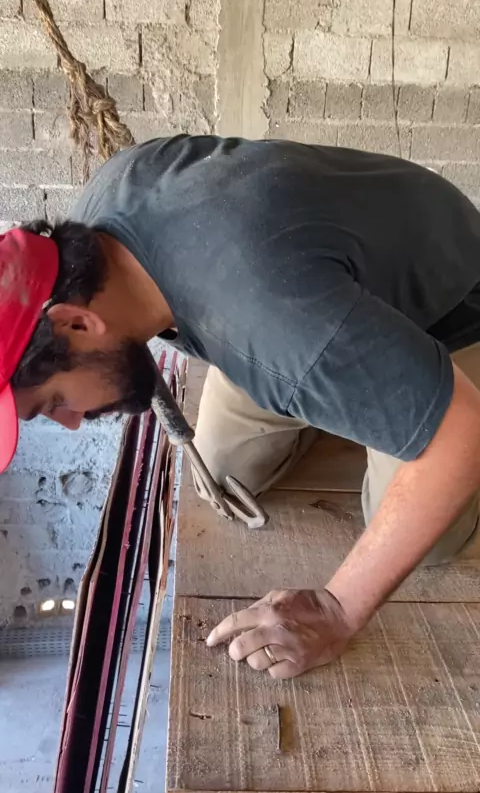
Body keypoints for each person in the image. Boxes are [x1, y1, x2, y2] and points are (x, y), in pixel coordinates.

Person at [2, 135, 480, 679]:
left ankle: (365, 391)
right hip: (317, 303)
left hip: (447, 306)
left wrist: (336, 610)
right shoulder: (93, 238)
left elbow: (461, 433)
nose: (70, 421)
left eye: (53, 402)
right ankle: (342, 384)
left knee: (433, 539)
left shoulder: (269, 317)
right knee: (226, 473)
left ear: (76, 322)